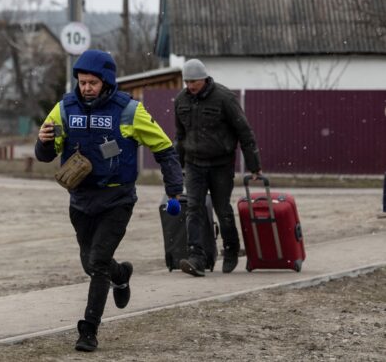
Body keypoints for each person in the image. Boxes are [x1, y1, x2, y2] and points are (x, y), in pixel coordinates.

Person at [35, 49, 183, 352]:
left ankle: (88, 330)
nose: (86, 87)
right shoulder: (64, 108)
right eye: (82, 81)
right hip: (80, 199)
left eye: (92, 82)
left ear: (107, 81)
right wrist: (43, 141)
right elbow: (46, 154)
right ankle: (121, 274)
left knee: (98, 261)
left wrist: (174, 190)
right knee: (90, 264)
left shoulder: (129, 110)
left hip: (117, 199)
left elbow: (165, 149)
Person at [174, 58, 261, 277]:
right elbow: (180, 136)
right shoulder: (181, 101)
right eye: (187, 81)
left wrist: (254, 166)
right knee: (194, 208)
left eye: (194, 81)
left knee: (223, 210)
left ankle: (231, 248)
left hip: (221, 164)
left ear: (204, 78)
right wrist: (176, 168)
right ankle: (197, 257)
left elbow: (245, 131)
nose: (190, 86)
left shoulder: (224, 98)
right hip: (194, 164)